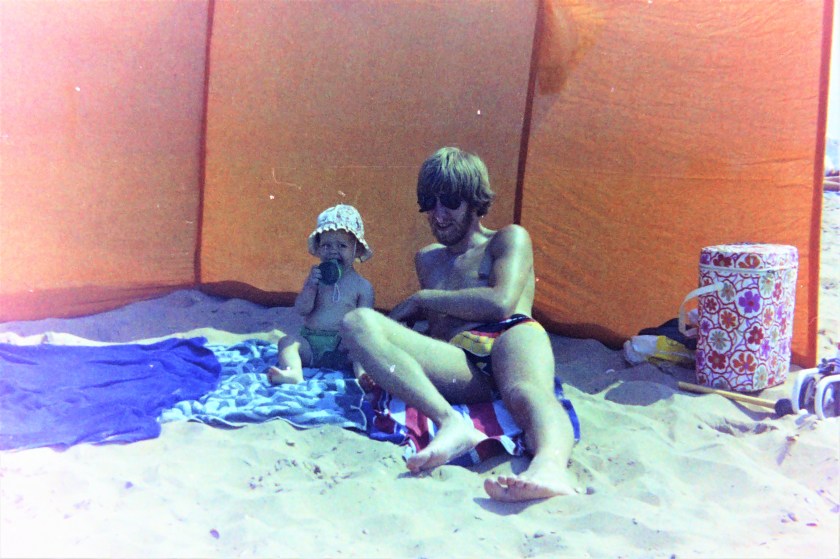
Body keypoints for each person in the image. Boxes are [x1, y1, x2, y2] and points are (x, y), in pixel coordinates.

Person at [340, 147, 580, 502]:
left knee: (525, 392)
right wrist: (385, 349)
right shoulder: (428, 259)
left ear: (474, 202)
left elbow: (500, 302)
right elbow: (437, 331)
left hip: (511, 335)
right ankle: (451, 423)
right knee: (356, 322)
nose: (438, 215)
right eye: (429, 203)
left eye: (450, 202)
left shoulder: (507, 239)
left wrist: (423, 299)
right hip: (462, 360)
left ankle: (549, 467)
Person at [267, 204, 374, 385]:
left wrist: (351, 338)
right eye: (326, 245)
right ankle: (293, 372)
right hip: (310, 342)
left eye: (342, 245)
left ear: (357, 250)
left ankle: (363, 376)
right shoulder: (316, 279)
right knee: (286, 342)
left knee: (361, 352)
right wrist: (310, 287)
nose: (333, 250)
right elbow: (302, 309)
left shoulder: (362, 286)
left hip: (342, 347)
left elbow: (367, 324)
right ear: (318, 248)